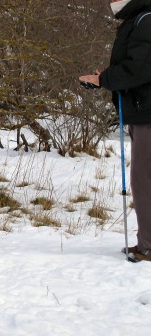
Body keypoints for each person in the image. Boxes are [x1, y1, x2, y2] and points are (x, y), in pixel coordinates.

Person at [79, 0, 151, 262]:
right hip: (143, 111)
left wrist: (104, 79)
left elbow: (140, 69)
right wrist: (106, 78)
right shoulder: (139, 19)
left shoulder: (146, 19)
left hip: (148, 114)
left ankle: (149, 246)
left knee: (144, 180)